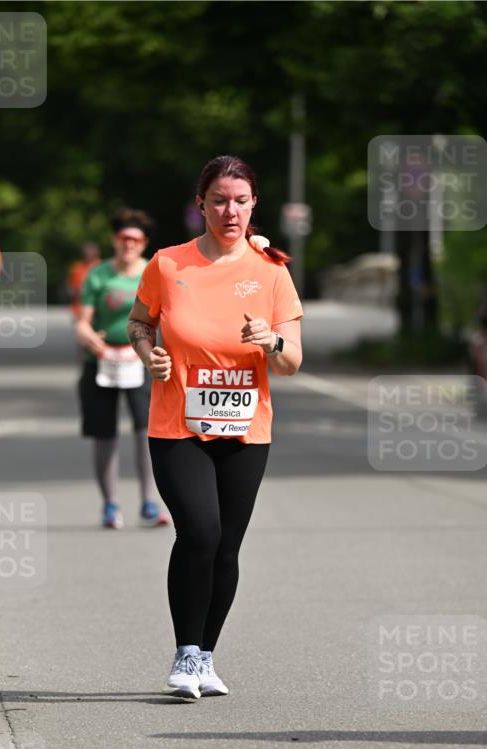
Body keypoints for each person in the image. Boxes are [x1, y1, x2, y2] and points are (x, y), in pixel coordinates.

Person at [127, 155, 303, 699]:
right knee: (199, 531)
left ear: (254, 206)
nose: (231, 211)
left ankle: (205, 656)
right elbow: (139, 323)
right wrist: (147, 354)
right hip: (177, 423)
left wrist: (269, 341)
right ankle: (184, 654)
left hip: (246, 429)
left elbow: (292, 359)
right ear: (200, 203)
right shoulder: (167, 264)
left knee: (227, 545)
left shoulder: (272, 270)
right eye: (220, 200)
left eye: (241, 201)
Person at [75, 208, 169, 529]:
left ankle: (148, 502)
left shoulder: (152, 273)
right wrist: (90, 339)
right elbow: (82, 323)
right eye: (122, 238)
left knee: (146, 433)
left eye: (135, 239)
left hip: (140, 363)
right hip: (102, 363)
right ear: (115, 241)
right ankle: (110, 504)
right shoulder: (98, 275)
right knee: (105, 435)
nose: (128, 244)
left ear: (143, 244)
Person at [67, 242, 101, 321]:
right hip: (79, 308)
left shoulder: (102, 266)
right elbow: (69, 287)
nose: (87, 254)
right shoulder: (76, 268)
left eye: (90, 252)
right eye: (85, 252)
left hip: (98, 309)